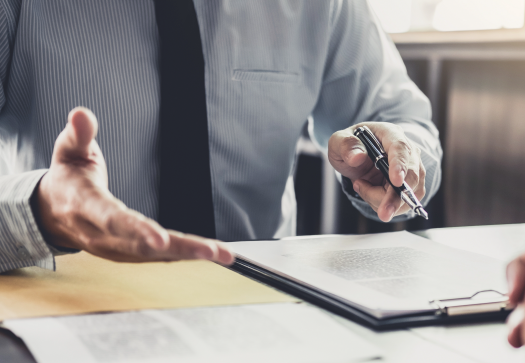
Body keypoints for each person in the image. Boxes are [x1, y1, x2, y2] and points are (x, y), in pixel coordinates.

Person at [0, 0, 442, 274]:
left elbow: (403, 121)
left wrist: (394, 157)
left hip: (262, 318)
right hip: (60, 312)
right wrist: (39, 213)